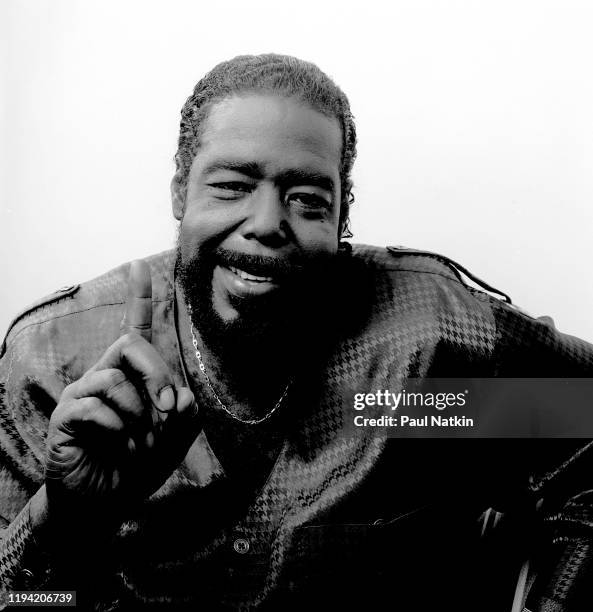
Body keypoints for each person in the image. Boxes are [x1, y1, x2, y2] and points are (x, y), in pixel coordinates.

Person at [1, 53, 592, 611]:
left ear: (343, 216)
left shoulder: (414, 359)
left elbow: (584, 438)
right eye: (232, 185)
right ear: (180, 191)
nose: (265, 224)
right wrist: (65, 516)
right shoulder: (56, 367)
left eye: (307, 199)